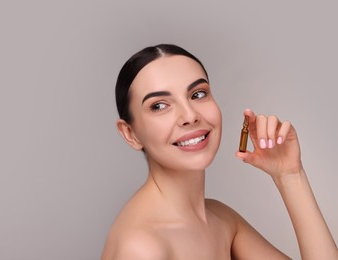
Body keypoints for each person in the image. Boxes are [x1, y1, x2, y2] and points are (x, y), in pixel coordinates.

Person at [101, 44, 338, 259]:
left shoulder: (220, 219)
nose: (190, 115)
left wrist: (290, 175)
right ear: (130, 133)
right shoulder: (141, 248)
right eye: (160, 106)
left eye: (198, 94)